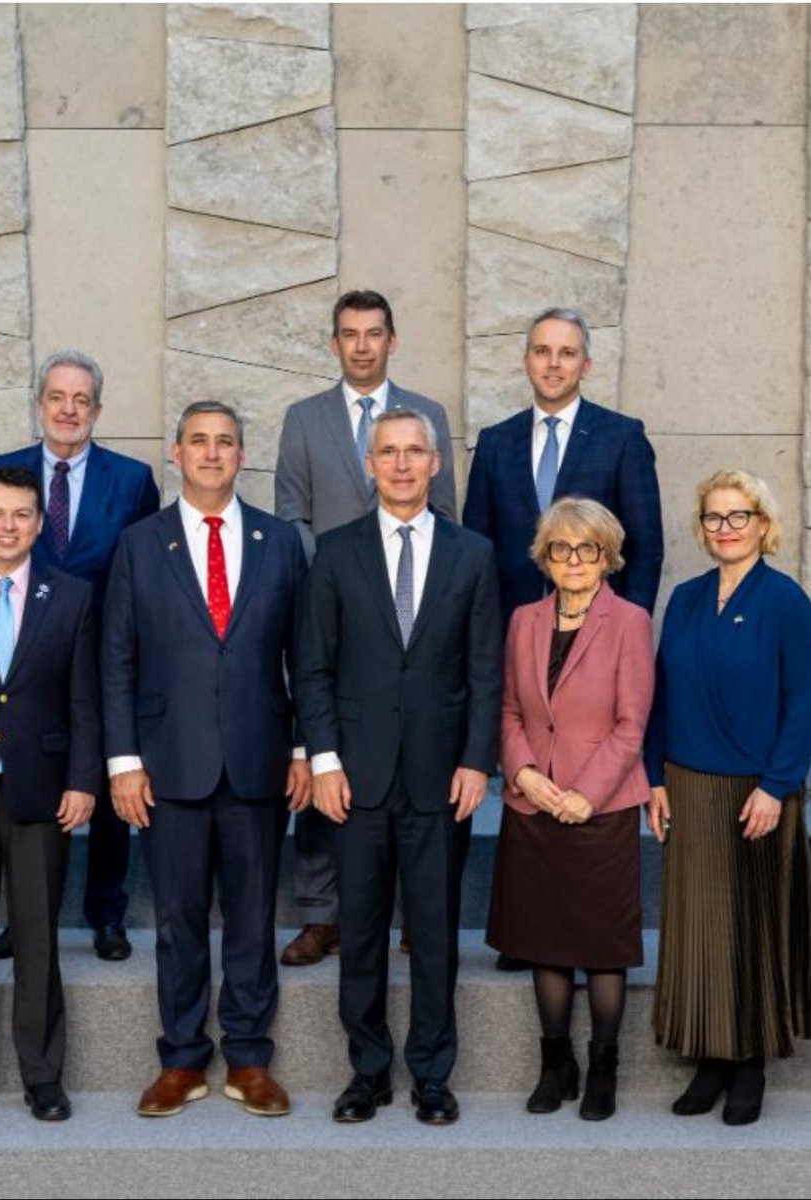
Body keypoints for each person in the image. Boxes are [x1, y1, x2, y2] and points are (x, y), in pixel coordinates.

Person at [102, 400, 309, 1119]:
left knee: (252, 918)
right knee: (178, 919)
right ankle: (182, 1060)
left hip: (258, 758)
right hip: (168, 763)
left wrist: (307, 749)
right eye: (199, 441)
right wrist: (123, 761)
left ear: (242, 454)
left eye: (225, 442)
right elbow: (117, 658)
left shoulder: (280, 541)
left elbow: (303, 656)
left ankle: (249, 1060)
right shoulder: (138, 544)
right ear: (175, 452)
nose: (212, 453)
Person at [296, 409, 502, 1125]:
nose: (404, 464)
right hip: (354, 779)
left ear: (437, 463)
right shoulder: (335, 552)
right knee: (359, 934)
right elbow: (312, 668)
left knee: (437, 935)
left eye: (416, 451)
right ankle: (368, 1072)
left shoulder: (472, 555)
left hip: (440, 779)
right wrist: (322, 760)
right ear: (370, 464)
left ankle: (432, 1075)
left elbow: (485, 671)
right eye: (390, 452)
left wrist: (479, 761)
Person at [275, 289, 458, 967]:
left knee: (410, 761)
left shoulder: (427, 418)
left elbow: (445, 519)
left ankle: (412, 915)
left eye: (373, 333)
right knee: (325, 749)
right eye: (348, 334)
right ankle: (323, 914)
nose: (360, 345)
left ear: (392, 340)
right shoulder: (303, 419)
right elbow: (291, 513)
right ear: (333, 343)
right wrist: (333, 577)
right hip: (331, 607)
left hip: (408, 618)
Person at [646, 469, 811, 1127]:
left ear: (763, 525)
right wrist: (653, 776)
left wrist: (776, 785)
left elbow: (803, 700)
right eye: (714, 517)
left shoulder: (786, 600)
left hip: (757, 791)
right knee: (697, 931)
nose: (724, 529)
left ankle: (748, 1066)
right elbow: (659, 693)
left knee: (749, 929)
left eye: (737, 516)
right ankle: (709, 1059)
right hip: (687, 785)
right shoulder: (684, 598)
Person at [0, 349, 160, 962]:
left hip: (105, 659)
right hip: (23, 663)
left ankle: (106, 913)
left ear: (97, 409)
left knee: (112, 785)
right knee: (23, 790)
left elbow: (144, 573)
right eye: (57, 397)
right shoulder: (2, 470)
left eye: (81, 400)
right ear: (39, 405)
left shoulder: (132, 479)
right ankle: (25, 918)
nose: (68, 409)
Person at [0, 466, 101, 1125]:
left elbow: (86, 699)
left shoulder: (70, 596)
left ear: (40, 523)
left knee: (36, 938)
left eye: (22, 514)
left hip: (41, 790)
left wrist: (85, 779)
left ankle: (42, 1077)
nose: (9, 525)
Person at [487, 497, 654, 1121]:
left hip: (600, 809)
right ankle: (555, 1063)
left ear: (606, 557)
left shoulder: (630, 621)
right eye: (562, 548)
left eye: (588, 549)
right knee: (545, 941)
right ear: (546, 557)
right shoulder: (524, 620)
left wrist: (586, 793)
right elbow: (507, 709)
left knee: (601, 945)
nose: (575, 560)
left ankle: (603, 1068)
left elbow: (631, 723)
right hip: (534, 806)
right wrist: (526, 774)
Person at [463, 307, 663, 627]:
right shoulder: (494, 443)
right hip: (512, 632)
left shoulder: (623, 438)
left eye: (567, 353)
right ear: (526, 360)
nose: (553, 363)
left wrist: (627, 629)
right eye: (542, 351)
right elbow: (475, 551)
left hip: (599, 631)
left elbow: (645, 548)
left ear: (585, 366)